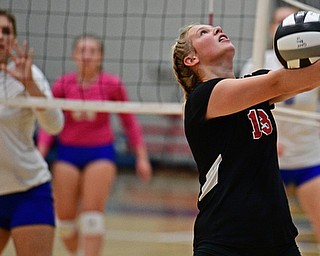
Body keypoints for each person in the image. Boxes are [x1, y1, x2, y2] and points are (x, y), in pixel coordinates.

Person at [171, 23, 320, 256]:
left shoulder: (255, 89)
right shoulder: (203, 97)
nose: (217, 28)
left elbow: (306, 81)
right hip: (225, 241)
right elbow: (278, 82)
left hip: (277, 239)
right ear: (191, 59)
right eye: (204, 32)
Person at [37, 34, 152, 256]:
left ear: (100, 56)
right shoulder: (63, 83)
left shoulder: (112, 84)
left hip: (100, 153)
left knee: (92, 217)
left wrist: (142, 157)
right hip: (67, 153)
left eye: (92, 51)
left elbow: (129, 122)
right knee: (65, 222)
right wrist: (40, 153)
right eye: (82, 50)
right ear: (74, 55)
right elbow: (47, 122)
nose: (87, 55)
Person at [241, 6, 320, 250]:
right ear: (270, 29)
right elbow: (245, 110)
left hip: (309, 155)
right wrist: (269, 140)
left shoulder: (316, 62)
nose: (281, 25)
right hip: (270, 158)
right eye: (277, 21)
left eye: (286, 20)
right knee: (256, 231)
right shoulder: (257, 62)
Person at [0, 9, 64, 256]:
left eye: (6, 31)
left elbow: (54, 125)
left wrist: (30, 86)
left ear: (14, 39)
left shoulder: (29, 75)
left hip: (28, 190)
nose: (1, 36)